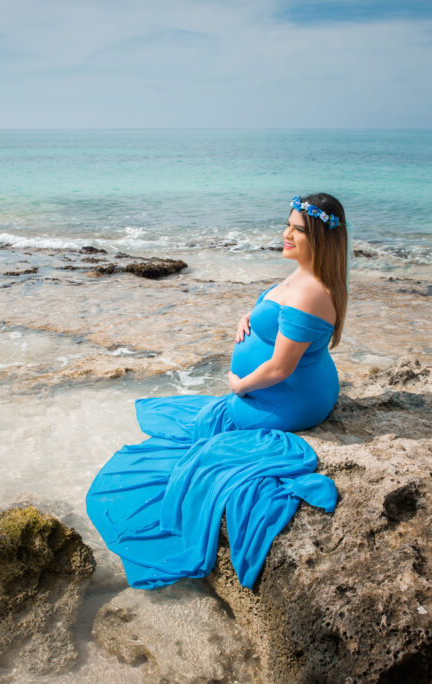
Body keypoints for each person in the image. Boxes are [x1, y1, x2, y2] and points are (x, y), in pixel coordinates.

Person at [86, 194, 347, 589]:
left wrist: (240, 384)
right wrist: (251, 318)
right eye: (288, 224)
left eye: (297, 229)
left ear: (320, 240)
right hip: (297, 387)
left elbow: (280, 367)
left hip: (290, 399)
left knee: (209, 454)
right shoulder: (302, 275)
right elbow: (279, 313)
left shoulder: (311, 291)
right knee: (209, 426)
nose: (286, 234)